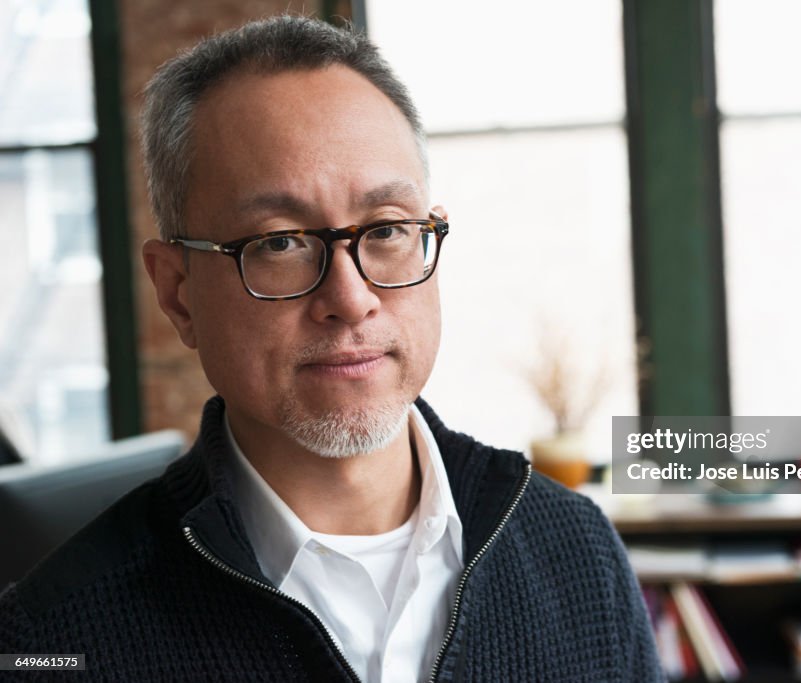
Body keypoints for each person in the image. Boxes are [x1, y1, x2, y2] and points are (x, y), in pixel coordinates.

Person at [0, 15, 660, 682]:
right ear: (178, 293)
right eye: (280, 242)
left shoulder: (577, 553)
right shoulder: (50, 641)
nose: (350, 297)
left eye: (386, 228)